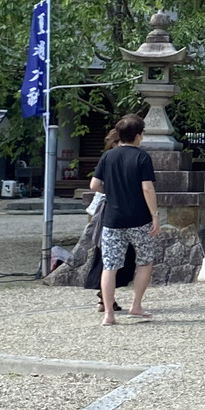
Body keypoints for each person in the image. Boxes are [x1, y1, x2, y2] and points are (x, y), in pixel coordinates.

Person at [89, 114, 158, 323]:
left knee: (110, 265)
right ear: (138, 135)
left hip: (113, 218)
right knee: (145, 261)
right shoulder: (142, 157)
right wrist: (155, 215)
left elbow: (94, 185)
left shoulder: (107, 157)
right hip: (139, 218)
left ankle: (109, 313)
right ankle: (136, 305)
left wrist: (110, 192)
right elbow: (147, 188)